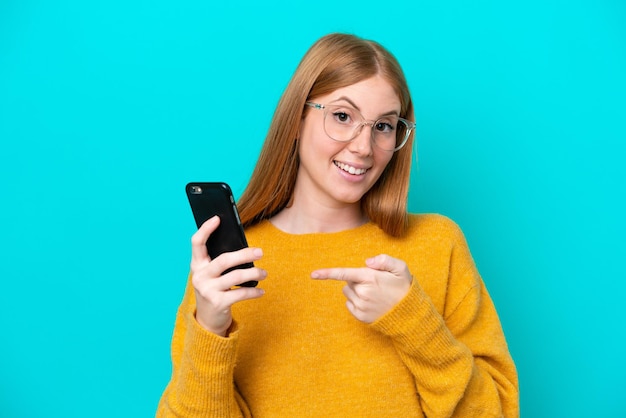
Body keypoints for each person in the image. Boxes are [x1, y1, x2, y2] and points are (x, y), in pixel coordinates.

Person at [157, 33, 519, 417]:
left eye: (383, 126)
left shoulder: (437, 244)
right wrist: (211, 330)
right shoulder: (230, 264)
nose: (364, 147)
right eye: (343, 116)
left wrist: (415, 322)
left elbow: (495, 411)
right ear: (296, 118)